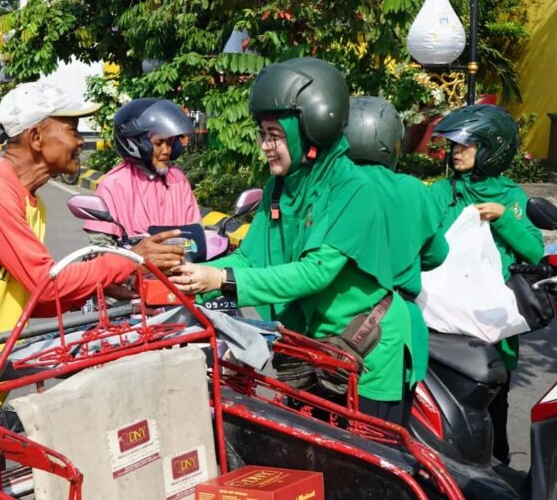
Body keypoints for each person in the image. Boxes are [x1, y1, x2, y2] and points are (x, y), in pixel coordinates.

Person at [0, 82, 185, 478]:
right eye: (72, 129)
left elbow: (37, 300)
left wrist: (96, 288)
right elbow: (48, 285)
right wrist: (131, 260)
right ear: (35, 137)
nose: (81, 141)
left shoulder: (32, 203)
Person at [171, 57, 411, 425]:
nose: (265, 146)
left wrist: (219, 280)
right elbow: (251, 260)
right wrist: (190, 276)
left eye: (275, 135)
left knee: (369, 466)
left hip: (366, 348)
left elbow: (315, 272)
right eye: (262, 134)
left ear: (313, 129)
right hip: (313, 350)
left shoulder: (352, 188)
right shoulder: (280, 187)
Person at [429, 104, 544, 465]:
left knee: (494, 404)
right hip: (443, 318)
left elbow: (535, 250)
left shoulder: (510, 198)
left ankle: (500, 468)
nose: (455, 151)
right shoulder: (441, 192)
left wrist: (500, 217)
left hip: (492, 323)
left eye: (465, 144)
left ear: (491, 149)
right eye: (453, 144)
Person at [344, 96, 449, 394]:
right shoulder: (414, 190)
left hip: (337, 332)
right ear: (393, 144)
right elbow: (437, 254)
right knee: (388, 433)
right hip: (397, 328)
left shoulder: (330, 186)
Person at [83, 98, 200, 246]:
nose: (167, 151)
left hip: (182, 264)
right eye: (159, 143)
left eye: (170, 143)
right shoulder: (114, 184)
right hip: (134, 266)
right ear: (135, 143)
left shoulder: (178, 179)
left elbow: (195, 231)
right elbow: (101, 246)